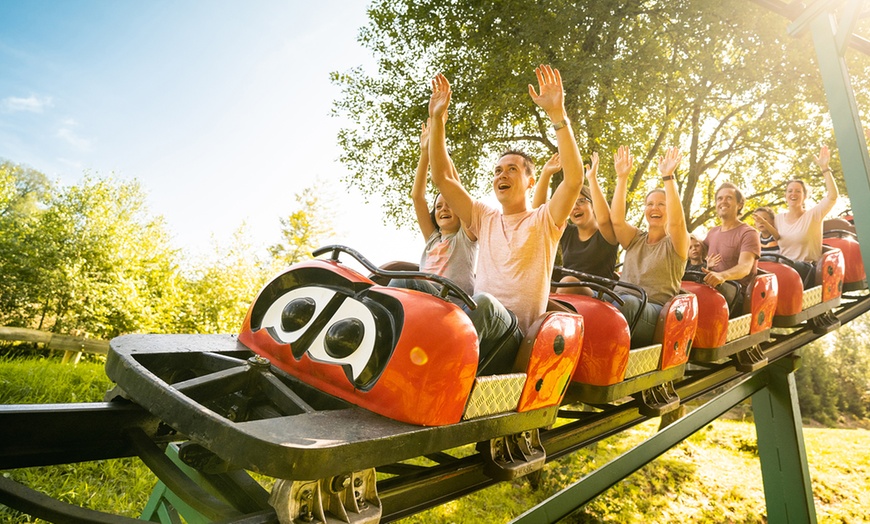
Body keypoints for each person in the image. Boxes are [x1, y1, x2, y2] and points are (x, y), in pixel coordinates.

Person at [427, 65, 585, 373]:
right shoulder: (484, 217)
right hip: (476, 328)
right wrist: (436, 121)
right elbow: (442, 178)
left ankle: (434, 375)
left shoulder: (544, 220)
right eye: (498, 170)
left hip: (512, 339)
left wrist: (558, 115)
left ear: (529, 181)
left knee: (483, 305)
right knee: (424, 292)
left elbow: (574, 179)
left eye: (512, 169)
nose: (503, 174)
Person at [610, 145, 689, 347]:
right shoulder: (636, 238)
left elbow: (678, 223)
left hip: (654, 312)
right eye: (650, 204)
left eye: (661, 204)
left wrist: (668, 177)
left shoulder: (675, 243)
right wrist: (622, 178)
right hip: (620, 302)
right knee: (582, 292)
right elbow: (617, 220)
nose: (654, 208)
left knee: (626, 303)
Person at [390, 118, 478, 299]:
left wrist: (439, 142)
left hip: (448, 301)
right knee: (393, 282)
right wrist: (425, 152)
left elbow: (455, 186)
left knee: (402, 281)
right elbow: (417, 197)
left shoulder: (465, 238)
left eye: (450, 205)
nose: (443, 209)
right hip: (424, 299)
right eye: (438, 206)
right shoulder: (433, 241)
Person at [533, 152, 619, 294]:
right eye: (572, 203)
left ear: (593, 206)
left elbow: (603, 219)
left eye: (581, 201)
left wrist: (592, 179)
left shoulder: (607, 234)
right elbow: (538, 215)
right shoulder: (568, 232)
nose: (575, 207)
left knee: (568, 282)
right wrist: (546, 174)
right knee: (536, 278)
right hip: (565, 289)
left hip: (598, 296)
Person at [774, 145, 839, 284]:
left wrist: (825, 169)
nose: (793, 194)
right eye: (790, 191)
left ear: (804, 196)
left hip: (806, 270)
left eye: (798, 191)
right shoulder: (778, 219)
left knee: (788, 269)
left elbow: (833, 196)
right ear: (785, 195)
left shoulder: (813, 215)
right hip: (783, 269)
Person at [701, 183, 762, 316]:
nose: (723, 201)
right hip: (710, 287)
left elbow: (745, 267)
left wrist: (722, 276)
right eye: (719, 198)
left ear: (739, 205)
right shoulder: (713, 232)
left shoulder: (748, 233)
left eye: (729, 198)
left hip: (736, 294)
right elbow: (693, 252)